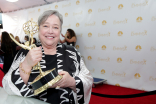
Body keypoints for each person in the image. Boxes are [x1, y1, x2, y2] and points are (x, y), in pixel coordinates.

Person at [2, 10, 93, 104]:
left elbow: (88, 80)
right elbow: (8, 86)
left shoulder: (72, 52)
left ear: (60, 31)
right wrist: (27, 64)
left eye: (55, 27)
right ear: (39, 29)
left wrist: (72, 82)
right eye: (45, 26)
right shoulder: (25, 53)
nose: (50, 31)